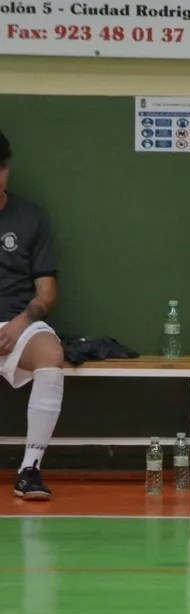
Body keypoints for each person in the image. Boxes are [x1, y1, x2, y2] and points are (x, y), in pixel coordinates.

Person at [0, 130, 66, 501]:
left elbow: (47, 294)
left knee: (51, 355)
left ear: (6, 170)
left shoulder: (30, 217)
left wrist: (20, 323)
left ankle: (29, 469)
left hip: (18, 322)